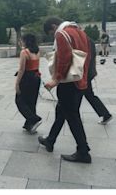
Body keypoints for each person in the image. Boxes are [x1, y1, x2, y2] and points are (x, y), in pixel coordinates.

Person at [39, 17, 91, 163]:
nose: (52, 35)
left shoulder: (61, 34)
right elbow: (88, 55)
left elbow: (64, 58)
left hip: (68, 83)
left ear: (54, 26)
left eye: (51, 32)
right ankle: (50, 140)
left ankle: (83, 151)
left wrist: (56, 78)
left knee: (72, 116)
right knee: (61, 111)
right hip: (79, 80)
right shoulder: (80, 32)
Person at [15, 34, 42, 134]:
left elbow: (21, 69)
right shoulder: (38, 51)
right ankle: (29, 125)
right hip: (36, 77)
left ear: (26, 41)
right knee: (31, 101)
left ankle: (34, 119)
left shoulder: (24, 52)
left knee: (19, 100)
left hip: (27, 78)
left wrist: (17, 83)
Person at [85, 37, 113, 125]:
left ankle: (106, 114)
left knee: (87, 95)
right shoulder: (90, 40)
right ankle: (105, 114)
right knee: (88, 95)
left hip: (85, 74)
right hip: (89, 72)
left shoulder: (83, 40)